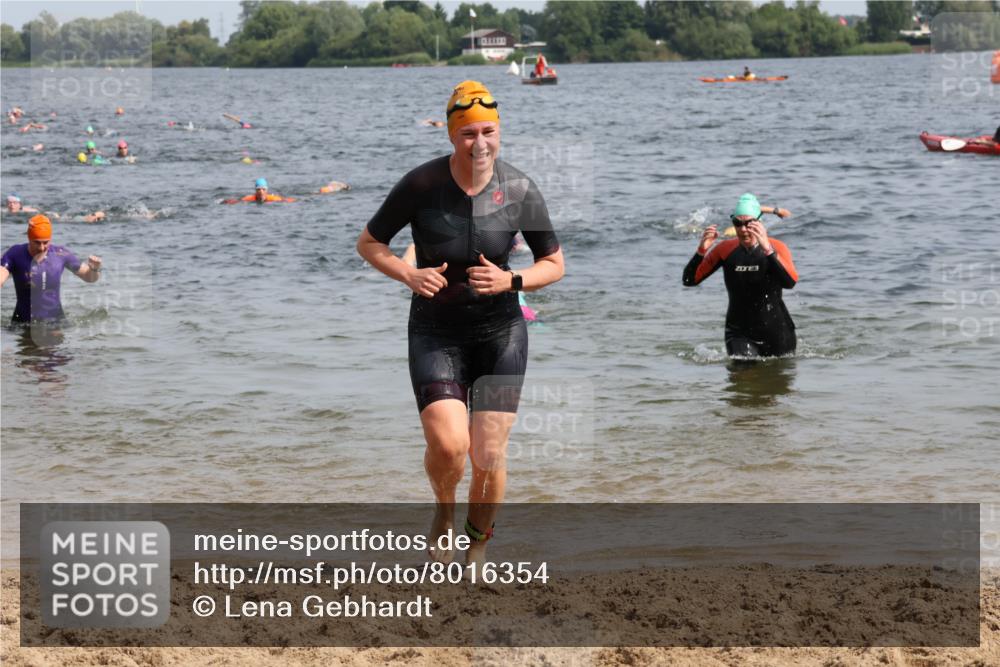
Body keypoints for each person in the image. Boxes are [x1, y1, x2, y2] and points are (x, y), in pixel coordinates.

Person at [356, 80, 564, 567]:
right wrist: (408, 273)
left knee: (488, 452)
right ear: (452, 135)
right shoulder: (421, 185)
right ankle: (443, 509)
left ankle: (477, 547)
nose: (481, 143)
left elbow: (554, 263)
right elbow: (369, 244)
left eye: (488, 131)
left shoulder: (519, 189)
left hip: (500, 334)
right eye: (468, 133)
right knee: (450, 446)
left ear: (500, 132)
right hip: (436, 331)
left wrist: (512, 281)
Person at [682, 193, 798, 359]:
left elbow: (790, 282)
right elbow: (689, 281)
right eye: (738, 223)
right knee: (743, 377)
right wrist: (701, 251)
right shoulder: (725, 249)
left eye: (749, 224)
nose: (743, 229)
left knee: (776, 381)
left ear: (759, 222)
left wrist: (767, 249)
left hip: (778, 332)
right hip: (739, 333)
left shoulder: (777, 247)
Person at [0, 215, 102, 324]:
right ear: (29, 238)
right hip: (22, 323)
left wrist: (94, 269)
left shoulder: (60, 254)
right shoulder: (15, 254)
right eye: (37, 242)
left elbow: (89, 277)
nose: (42, 247)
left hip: (55, 323)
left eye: (45, 242)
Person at [222, 178, 295, 204]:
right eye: (258, 189)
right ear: (255, 191)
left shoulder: (274, 198)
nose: (261, 192)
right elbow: (238, 201)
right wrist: (226, 201)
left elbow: (286, 200)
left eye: (263, 189)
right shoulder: (250, 198)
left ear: (267, 190)